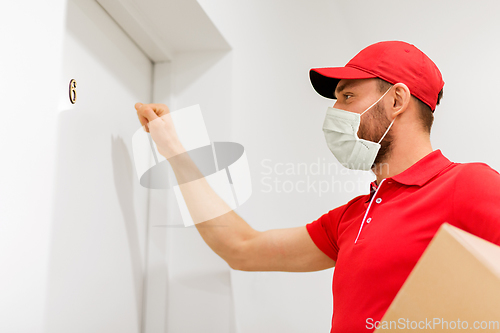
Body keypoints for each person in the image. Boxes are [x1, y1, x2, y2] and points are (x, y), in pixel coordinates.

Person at [134, 40, 500, 332]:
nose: (336, 111)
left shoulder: (467, 184)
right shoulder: (354, 216)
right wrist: (174, 151)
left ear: (396, 101)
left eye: (348, 96)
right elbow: (242, 248)